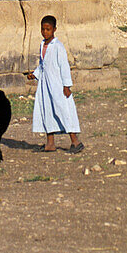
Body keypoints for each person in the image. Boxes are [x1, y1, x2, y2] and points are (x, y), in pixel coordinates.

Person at [26, 15, 84, 153]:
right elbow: (43, 65)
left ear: (54, 30)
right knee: (47, 110)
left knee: (63, 110)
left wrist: (66, 86)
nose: (45, 32)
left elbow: (64, 66)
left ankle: (75, 142)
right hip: (45, 85)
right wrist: (34, 74)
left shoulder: (58, 46)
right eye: (43, 29)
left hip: (58, 85)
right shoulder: (42, 45)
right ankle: (50, 143)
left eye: (48, 29)